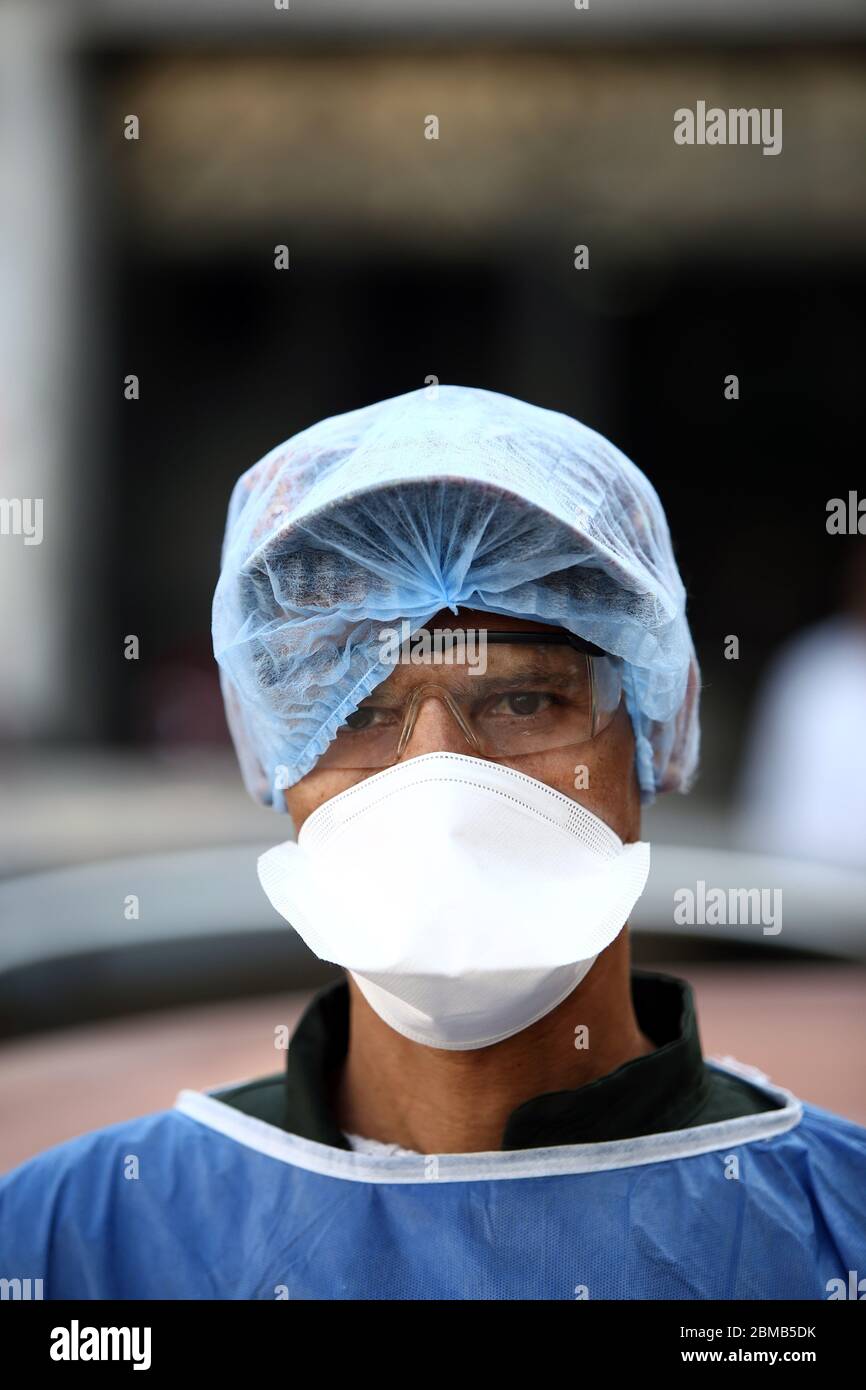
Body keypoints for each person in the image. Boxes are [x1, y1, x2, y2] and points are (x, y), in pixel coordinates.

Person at [1, 385, 864, 1300]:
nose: (440, 783)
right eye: (359, 712)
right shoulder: (82, 1246)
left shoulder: (831, 1235)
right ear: (276, 755)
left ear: (653, 730)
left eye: (525, 701)